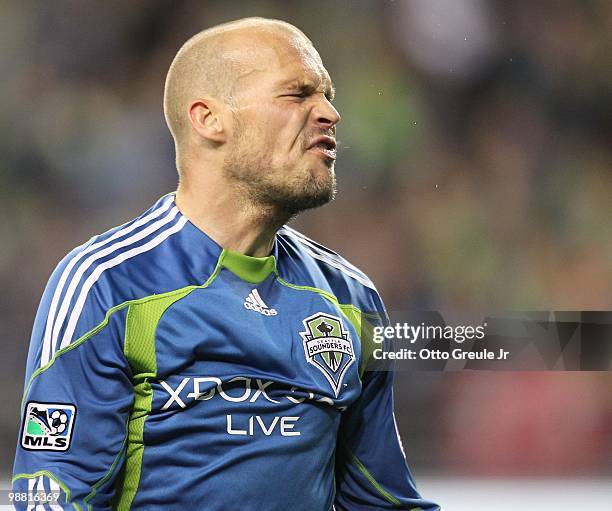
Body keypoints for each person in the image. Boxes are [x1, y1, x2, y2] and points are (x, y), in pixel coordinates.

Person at [12, 17, 439, 511]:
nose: (329, 113)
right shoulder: (107, 286)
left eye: (327, 94)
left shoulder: (350, 299)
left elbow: (383, 500)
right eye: (297, 94)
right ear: (209, 119)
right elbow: (51, 499)